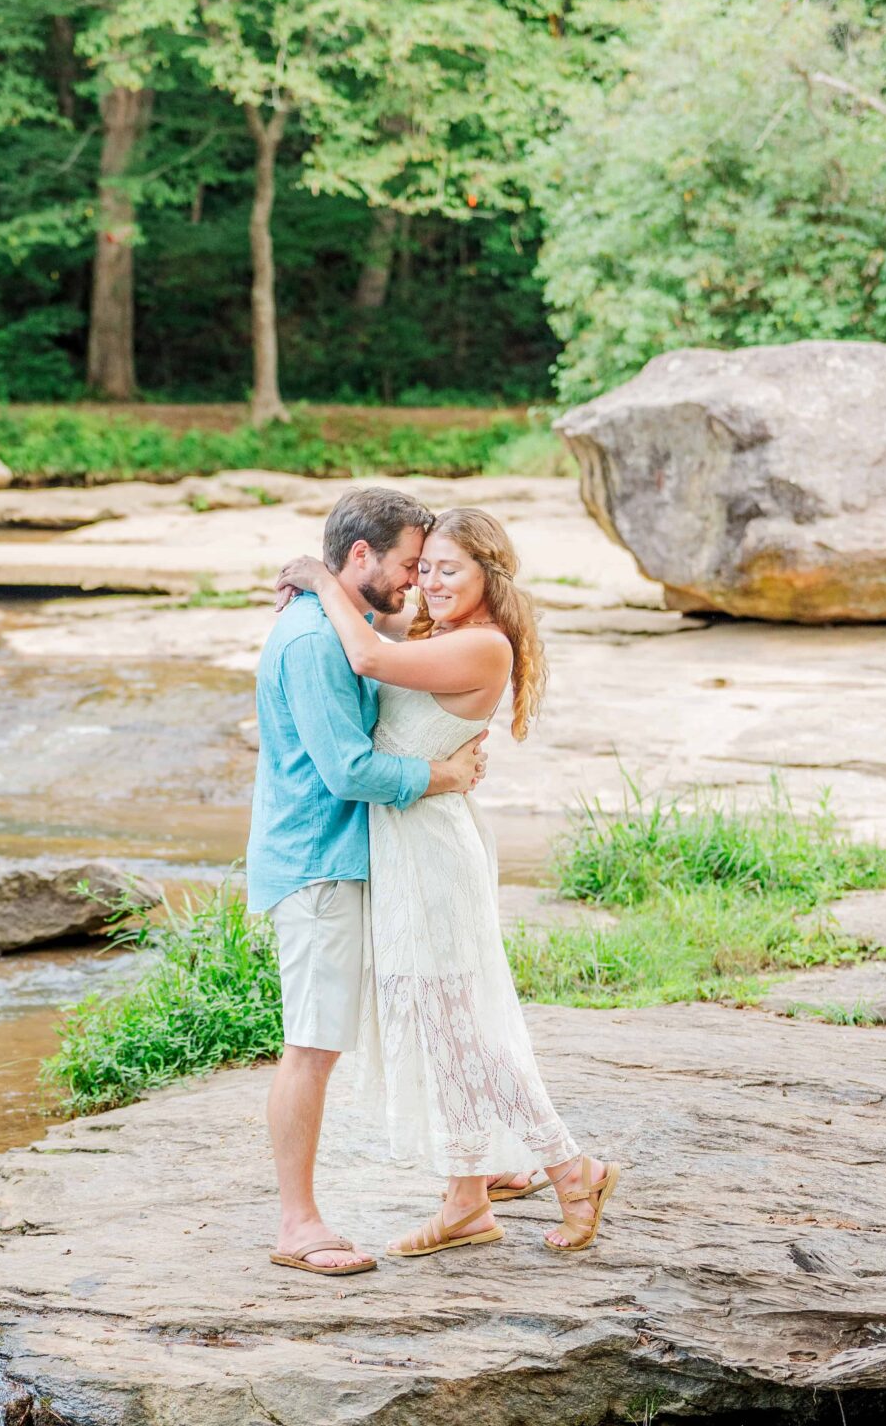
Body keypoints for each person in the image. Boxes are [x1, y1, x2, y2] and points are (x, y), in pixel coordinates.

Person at [278, 506, 620, 1256]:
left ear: (486, 577)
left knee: (464, 1028)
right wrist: (324, 597)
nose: (428, 582)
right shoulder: (436, 637)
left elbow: (365, 657)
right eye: (422, 566)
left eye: (447, 569)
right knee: (441, 1031)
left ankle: (572, 1168)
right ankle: (466, 1200)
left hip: (431, 854)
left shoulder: (480, 647)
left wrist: (313, 577)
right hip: (408, 845)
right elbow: (364, 644)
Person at [246, 486, 486, 1277]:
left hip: (343, 859)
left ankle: (483, 1173)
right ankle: (296, 1224)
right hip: (317, 864)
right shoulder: (314, 643)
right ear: (360, 557)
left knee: (400, 1016)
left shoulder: (335, 622)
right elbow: (347, 770)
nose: (415, 582)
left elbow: (384, 642)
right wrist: (442, 776)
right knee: (311, 1046)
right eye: (409, 565)